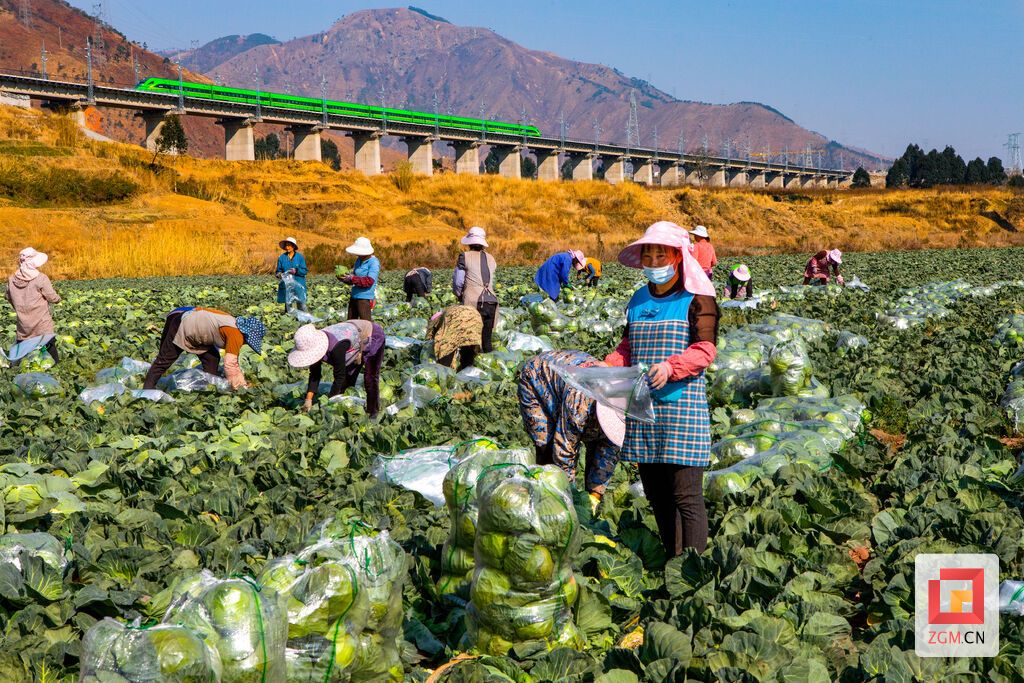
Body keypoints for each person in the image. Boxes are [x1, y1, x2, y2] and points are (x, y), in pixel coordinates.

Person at [604, 221, 720, 556]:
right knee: (656, 495)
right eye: (649, 255)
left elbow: (705, 350)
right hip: (643, 410)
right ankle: (674, 558)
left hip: (682, 409)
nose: (654, 261)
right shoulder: (638, 300)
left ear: (679, 257)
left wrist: (671, 367)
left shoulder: (697, 298)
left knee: (686, 496)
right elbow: (628, 347)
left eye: (661, 254)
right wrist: (607, 366)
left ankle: (693, 569)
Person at [518, 349, 625, 509]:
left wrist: (595, 495)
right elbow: (565, 448)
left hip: (568, 379)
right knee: (546, 448)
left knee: (600, 448)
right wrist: (570, 496)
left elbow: (609, 453)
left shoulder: (622, 409)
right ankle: (540, 501)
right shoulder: (580, 402)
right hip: (538, 378)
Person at [142, 308, 265, 391]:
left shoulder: (233, 323)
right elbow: (230, 364)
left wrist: (240, 380)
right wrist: (238, 386)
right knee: (164, 360)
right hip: (184, 325)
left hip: (197, 330)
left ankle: (208, 387)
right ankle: (147, 391)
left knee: (212, 358)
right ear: (248, 335)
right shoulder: (236, 335)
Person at [287, 321, 385, 416]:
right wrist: (308, 400)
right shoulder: (314, 344)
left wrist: (330, 402)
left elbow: (339, 377)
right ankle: (348, 408)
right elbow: (314, 374)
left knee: (370, 377)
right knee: (348, 379)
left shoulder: (336, 348)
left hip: (372, 334)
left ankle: (373, 412)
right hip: (352, 340)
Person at [5, 247, 60, 364]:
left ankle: (17, 369)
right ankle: (55, 368)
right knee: (49, 346)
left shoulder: (11, 279)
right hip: (41, 323)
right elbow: (52, 297)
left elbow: (8, 297)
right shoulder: (41, 278)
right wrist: (58, 299)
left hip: (23, 325)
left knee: (22, 350)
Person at [453, 226, 499, 353]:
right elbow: (491, 279)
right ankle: (488, 368)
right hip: (491, 302)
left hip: (473, 302)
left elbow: (458, 281)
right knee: (487, 342)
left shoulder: (464, 256)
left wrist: (459, 294)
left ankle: (468, 368)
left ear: (470, 243)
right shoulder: (491, 258)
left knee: (470, 341)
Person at [427, 305, 483, 371]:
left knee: (447, 346)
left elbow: (430, 337)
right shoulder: (446, 313)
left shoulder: (436, 321)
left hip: (456, 317)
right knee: (469, 344)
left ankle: (446, 371)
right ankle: (468, 369)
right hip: (475, 316)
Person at [339, 237, 380, 320]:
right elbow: (354, 277)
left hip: (364, 298)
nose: (357, 255)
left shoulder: (374, 262)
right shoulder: (358, 260)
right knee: (351, 323)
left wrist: (352, 278)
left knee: (365, 324)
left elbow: (369, 281)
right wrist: (344, 279)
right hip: (354, 296)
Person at [275, 237, 308, 313]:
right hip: (287, 286)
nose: (287, 247)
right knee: (288, 308)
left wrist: (296, 271)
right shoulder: (281, 258)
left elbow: (304, 271)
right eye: (286, 245)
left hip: (298, 284)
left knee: (302, 306)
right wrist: (279, 274)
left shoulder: (300, 257)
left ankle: (305, 322)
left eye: (289, 245)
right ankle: (290, 322)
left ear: (293, 246)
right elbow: (278, 271)